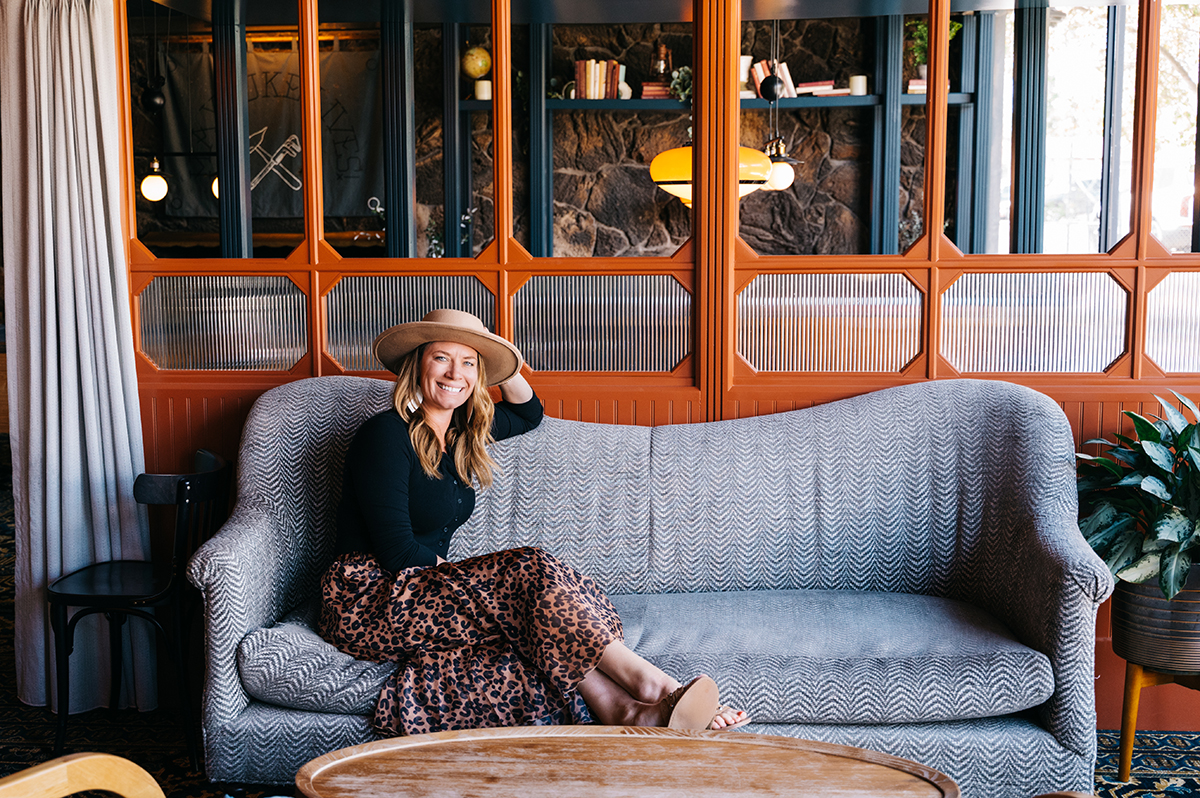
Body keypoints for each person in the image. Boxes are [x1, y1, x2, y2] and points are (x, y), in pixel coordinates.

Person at [318, 308, 749, 736]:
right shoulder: (386, 435)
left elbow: (528, 414)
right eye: (441, 358)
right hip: (370, 599)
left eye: (469, 362)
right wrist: (483, 587)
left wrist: (500, 359)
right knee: (530, 570)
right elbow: (397, 552)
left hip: (424, 591)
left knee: (536, 621)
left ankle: (629, 713)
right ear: (417, 365)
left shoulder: (462, 434)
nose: (455, 373)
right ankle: (656, 686)